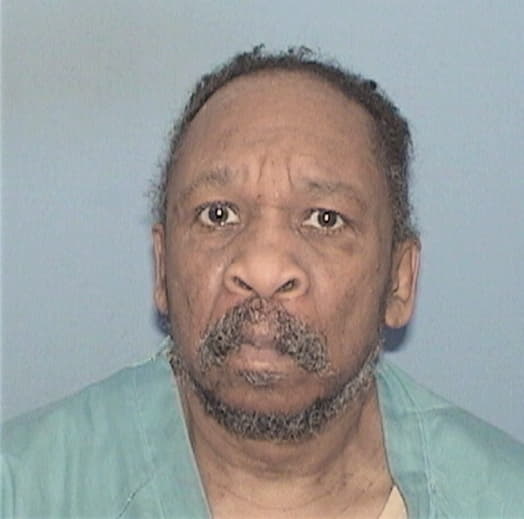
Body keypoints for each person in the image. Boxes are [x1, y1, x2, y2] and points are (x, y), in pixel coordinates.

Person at [2, 46, 523, 519]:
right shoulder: (23, 492)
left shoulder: (502, 497)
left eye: (324, 219)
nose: (264, 269)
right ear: (162, 266)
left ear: (399, 281)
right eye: (218, 214)